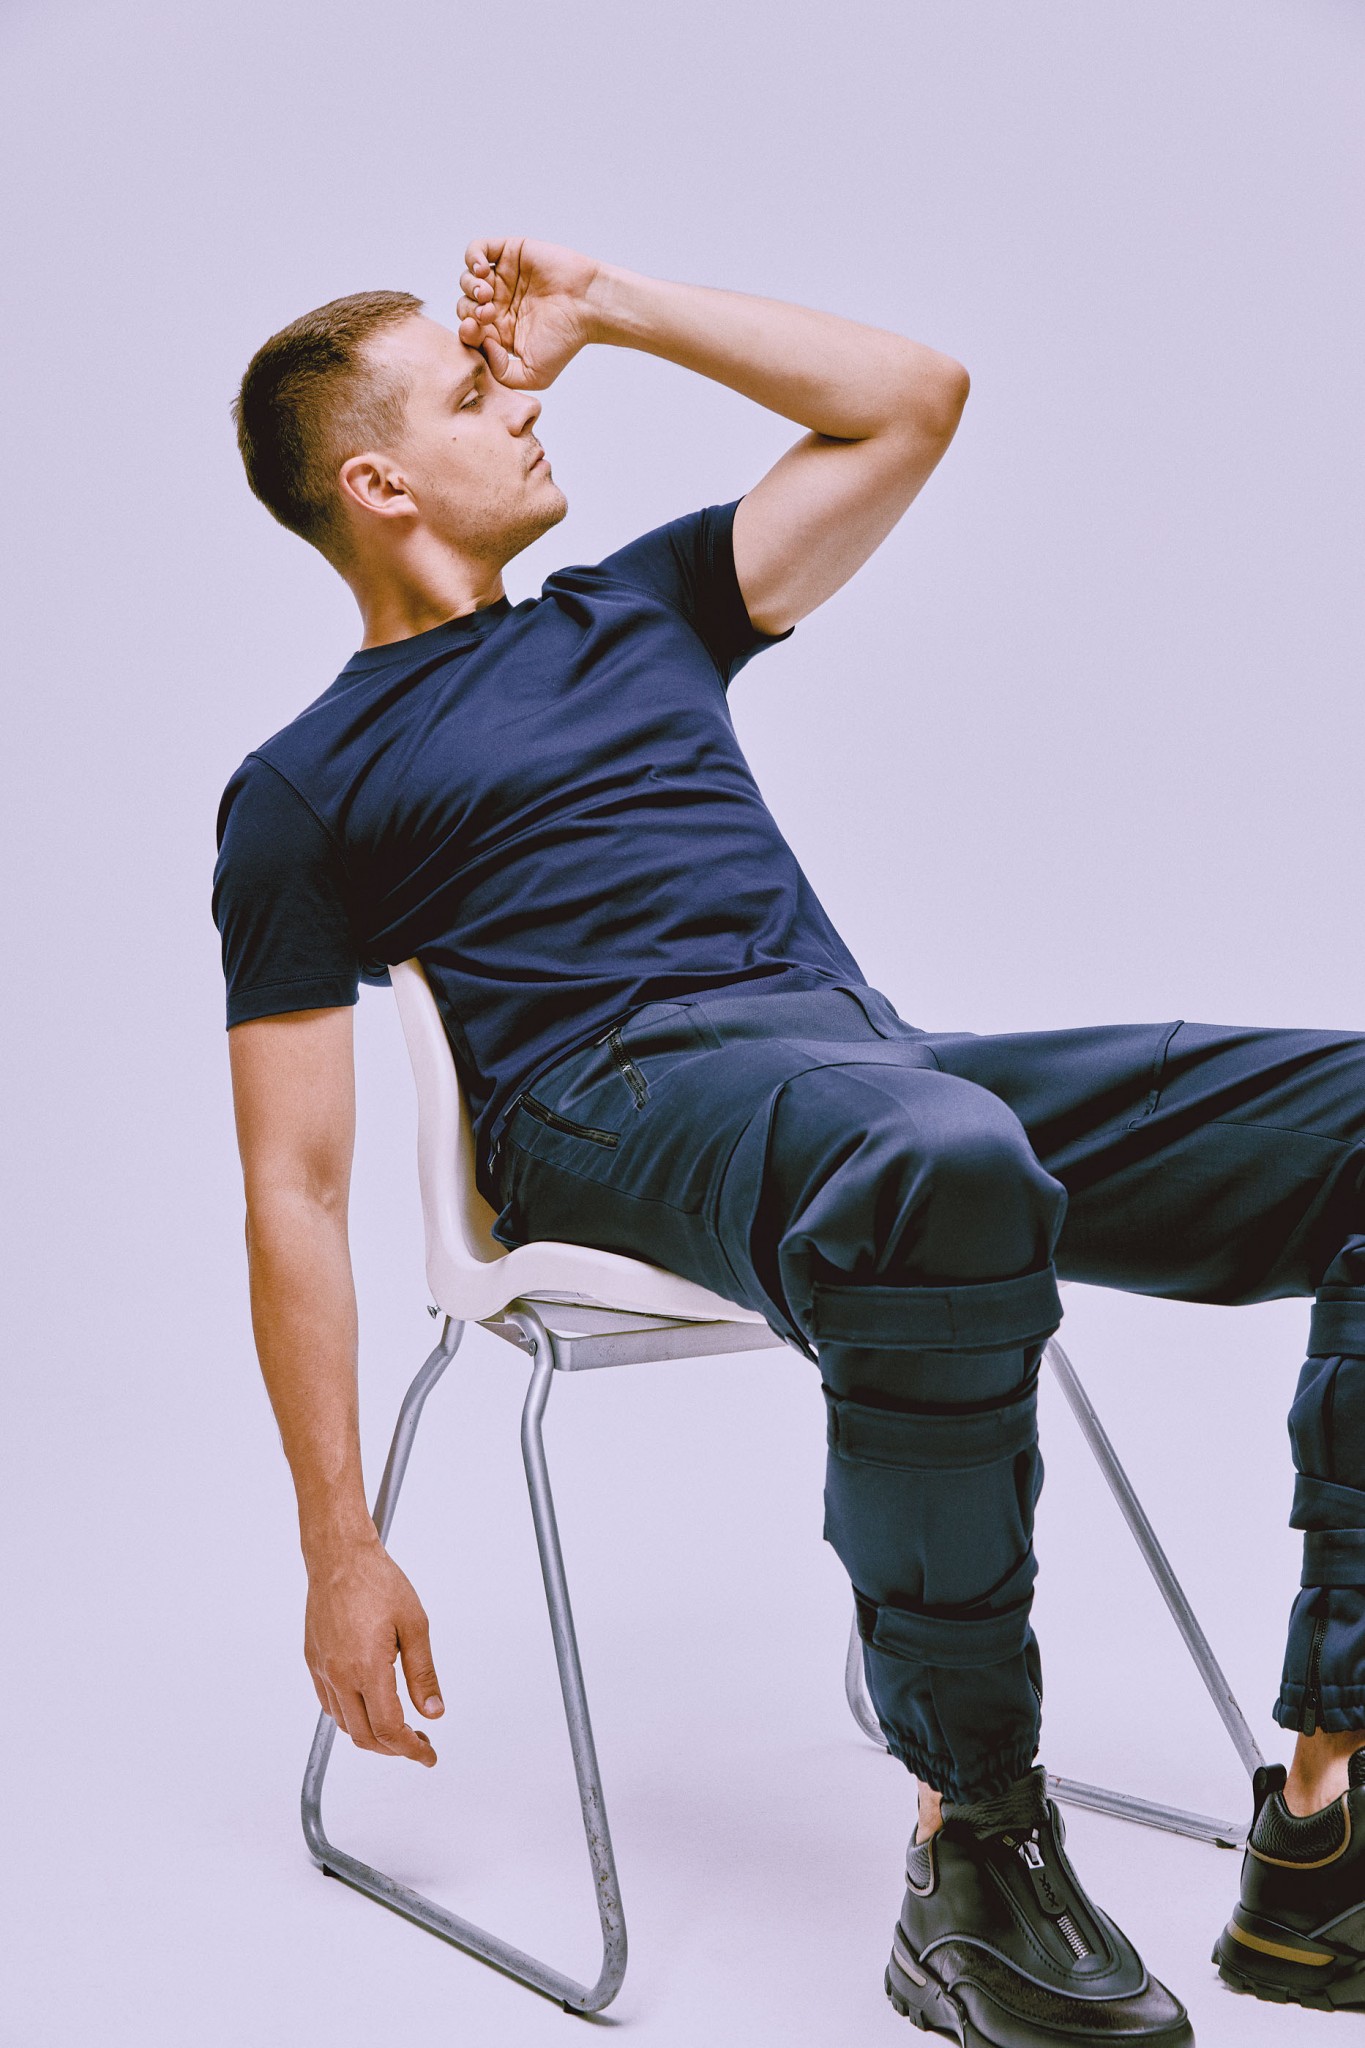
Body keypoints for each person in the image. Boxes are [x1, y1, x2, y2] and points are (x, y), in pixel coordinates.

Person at [214, 237, 1365, 2046]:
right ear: (376, 484)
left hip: (857, 1066)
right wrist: (336, 1546)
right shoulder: (302, 787)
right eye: (471, 393)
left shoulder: (639, 606)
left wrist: (607, 306)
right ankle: (974, 1843)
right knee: (937, 1163)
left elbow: (910, 401)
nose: (521, 403)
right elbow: (293, 1186)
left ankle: (1330, 1814)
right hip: (608, 1107)